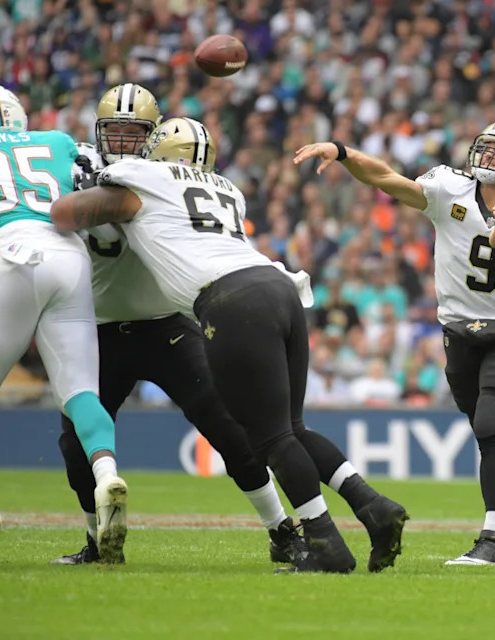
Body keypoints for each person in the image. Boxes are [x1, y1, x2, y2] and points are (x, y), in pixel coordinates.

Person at [51, 117, 408, 574]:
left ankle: (324, 542)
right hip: (278, 287)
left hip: (230, 300)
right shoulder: (227, 188)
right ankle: (373, 506)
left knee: (271, 438)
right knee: (292, 429)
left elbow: (67, 212)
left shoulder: (145, 176)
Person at [293, 121, 495, 565]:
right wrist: (343, 152)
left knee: (489, 427)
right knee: (493, 429)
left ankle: (494, 540)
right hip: (457, 333)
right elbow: (386, 178)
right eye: (485, 149)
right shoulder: (450, 190)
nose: (487, 158)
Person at [51, 84, 303, 566]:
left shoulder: (163, 178)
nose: (123, 141)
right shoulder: (77, 169)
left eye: (134, 132)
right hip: (99, 328)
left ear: (154, 137)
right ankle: (96, 540)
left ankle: (281, 529)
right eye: (114, 131)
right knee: (75, 442)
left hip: (165, 324)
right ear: (98, 133)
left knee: (228, 429)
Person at [0, 85, 127, 563]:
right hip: (70, 257)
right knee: (80, 391)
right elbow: (98, 190)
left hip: (14, 255)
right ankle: (107, 477)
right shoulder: (58, 142)